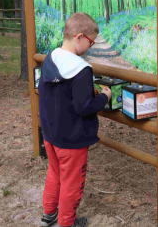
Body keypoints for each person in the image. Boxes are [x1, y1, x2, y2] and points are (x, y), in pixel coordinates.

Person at [38, 12, 112, 227]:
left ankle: (49, 215)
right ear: (79, 37)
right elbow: (84, 107)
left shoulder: (51, 58)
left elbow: (58, 96)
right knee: (72, 182)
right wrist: (105, 98)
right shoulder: (81, 70)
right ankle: (67, 222)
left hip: (51, 134)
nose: (91, 46)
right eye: (90, 42)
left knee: (54, 173)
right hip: (72, 138)